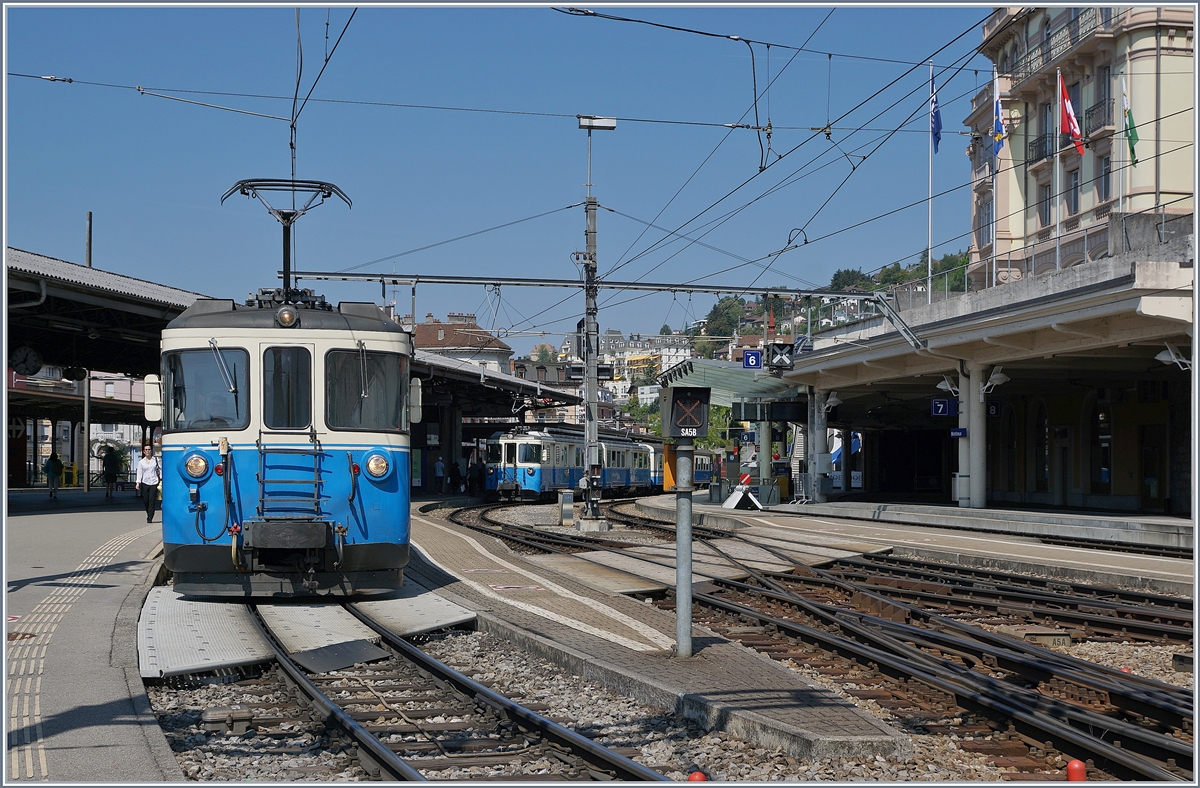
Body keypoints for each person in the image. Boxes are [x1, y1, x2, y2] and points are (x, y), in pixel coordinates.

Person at [135, 444, 162, 523]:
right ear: (144, 451)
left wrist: (161, 479)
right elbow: (139, 473)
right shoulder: (141, 462)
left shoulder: (156, 460)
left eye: (149, 449)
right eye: (146, 450)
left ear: (151, 451)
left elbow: (160, 470)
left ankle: (150, 516)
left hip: (154, 482)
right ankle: (148, 512)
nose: (147, 451)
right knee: (146, 500)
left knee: (151, 500)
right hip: (145, 482)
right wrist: (138, 482)